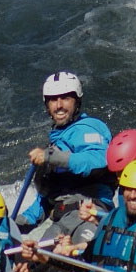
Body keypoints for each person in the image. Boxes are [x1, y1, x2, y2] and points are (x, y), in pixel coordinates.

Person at [18, 71, 114, 231]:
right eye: (53, 100)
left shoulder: (87, 128)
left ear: (77, 102)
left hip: (90, 212)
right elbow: (45, 200)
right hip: (63, 217)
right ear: (47, 106)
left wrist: (52, 157)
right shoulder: (57, 141)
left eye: (65, 98)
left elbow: (98, 160)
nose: (59, 105)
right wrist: (15, 223)